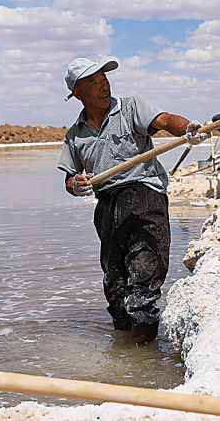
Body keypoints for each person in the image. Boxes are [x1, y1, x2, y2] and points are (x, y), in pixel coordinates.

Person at [57, 57, 209, 344]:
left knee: (144, 274)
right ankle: (123, 356)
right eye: (93, 82)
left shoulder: (130, 109)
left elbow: (165, 121)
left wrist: (188, 128)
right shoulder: (75, 134)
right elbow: (68, 178)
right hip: (107, 206)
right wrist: (75, 184)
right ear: (77, 92)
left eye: (104, 79)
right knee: (116, 284)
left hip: (144, 198)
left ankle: (142, 356)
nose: (103, 85)